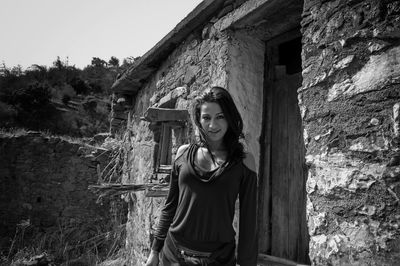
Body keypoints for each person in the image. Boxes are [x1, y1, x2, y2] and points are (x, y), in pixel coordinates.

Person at [145, 86, 258, 266]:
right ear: (198, 120)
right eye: (206, 117)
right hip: (174, 256)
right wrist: (155, 250)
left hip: (219, 259)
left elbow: (249, 222)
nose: (213, 125)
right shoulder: (183, 154)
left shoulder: (244, 162)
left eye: (220, 117)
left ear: (230, 117)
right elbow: (170, 205)